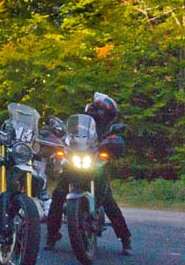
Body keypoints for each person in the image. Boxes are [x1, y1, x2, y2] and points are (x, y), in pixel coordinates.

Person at [44, 92, 133, 256]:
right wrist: (59, 139)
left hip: (96, 165)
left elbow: (116, 140)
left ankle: (125, 238)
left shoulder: (107, 129)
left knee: (108, 201)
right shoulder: (81, 125)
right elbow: (67, 136)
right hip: (74, 163)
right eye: (100, 110)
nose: (101, 114)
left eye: (104, 112)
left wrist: (112, 144)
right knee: (58, 195)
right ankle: (52, 235)